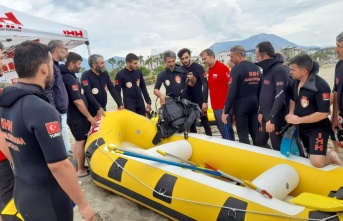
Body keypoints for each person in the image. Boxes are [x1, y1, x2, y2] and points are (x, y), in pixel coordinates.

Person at [0, 41, 94, 221]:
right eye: (51, 65)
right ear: (44, 68)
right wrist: (83, 205)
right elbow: (59, 165)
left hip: (22, 191)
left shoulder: (5, 101)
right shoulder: (42, 109)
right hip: (48, 199)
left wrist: (23, 166)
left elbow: (3, 140)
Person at [285, 54, 342, 167]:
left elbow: (324, 114)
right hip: (302, 127)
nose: (290, 72)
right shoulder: (296, 82)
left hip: (318, 129)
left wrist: (299, 120)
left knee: (317, 162)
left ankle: (332, 155)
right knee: (311, 156)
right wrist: (291, 114)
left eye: (293, 69)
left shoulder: (321, 86)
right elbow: (293, 100)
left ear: (304, 71)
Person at [61, 52, 96, 177]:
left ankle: (77, 168)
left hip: (73, 116)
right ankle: (80, 170)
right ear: (71, 63)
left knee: (77, 141)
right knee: (81, 142)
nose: (80, 66)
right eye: (79, 64)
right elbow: (77, 100)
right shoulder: (69, 78)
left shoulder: (66, 76)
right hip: (77, 116)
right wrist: (89, 116)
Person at [222, 46, 261, 144]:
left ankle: (247, 158)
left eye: (231, 56)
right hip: (254, 104)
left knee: (243, 135)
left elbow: (232, 91)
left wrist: (226, 110)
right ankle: (259, 155)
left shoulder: (236, 69)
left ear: (238, 56)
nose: (230, 59)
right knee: (255, 133)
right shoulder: (256, 68)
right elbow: (260, 89)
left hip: (241, 106)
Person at [255, 41, 290, 150]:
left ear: (264, 56)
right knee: (259, 142)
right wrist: (261, 111)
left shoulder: (279, 70)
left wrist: (272, 119)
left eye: (257, 56)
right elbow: (265, 92)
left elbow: (280, 95)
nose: (256, 59)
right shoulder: (267, 69)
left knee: (277, 146)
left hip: (276, 116)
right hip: (266, 115)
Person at [200, 49, 234, 140]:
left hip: (223, 108)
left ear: (212, 56)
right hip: (215, 107)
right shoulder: (210, 70)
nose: (203, 61)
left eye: (205, 59)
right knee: (222, 131)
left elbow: (231, 87)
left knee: (226, 132)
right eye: (202, 59)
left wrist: (227, 107)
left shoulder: (222, 68)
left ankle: (230, 151)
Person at [44, 40, 71, 154]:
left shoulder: (56, 66)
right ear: (57, 49)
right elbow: (48, 89)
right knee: (64, 145)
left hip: (61, 109)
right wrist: (53, 110)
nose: (67, 52)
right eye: (65, 49)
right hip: (57, 111)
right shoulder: (50, 66)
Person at [177, 48, 212, 136]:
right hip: (187, 101)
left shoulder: (198, 67)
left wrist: (205, 101)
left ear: (190, 56)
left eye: (186, 57)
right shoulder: (181, 69)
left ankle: (210, 140)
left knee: (205, 122)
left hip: (199, 99)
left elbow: (205, 84)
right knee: (191, 124)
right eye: (182, 59)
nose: (185, 60)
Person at [0, 42, 17, 221]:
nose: (4, 64)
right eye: (0, 59)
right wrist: (17, 164)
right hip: (1, 160)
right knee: (7, 203)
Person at [331, 31, 343, 153]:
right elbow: (335, 92)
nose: (336, 50)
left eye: (339, 46)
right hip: (341, 116)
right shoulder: (339, 65)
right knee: (333, 135)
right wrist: (334, 117)